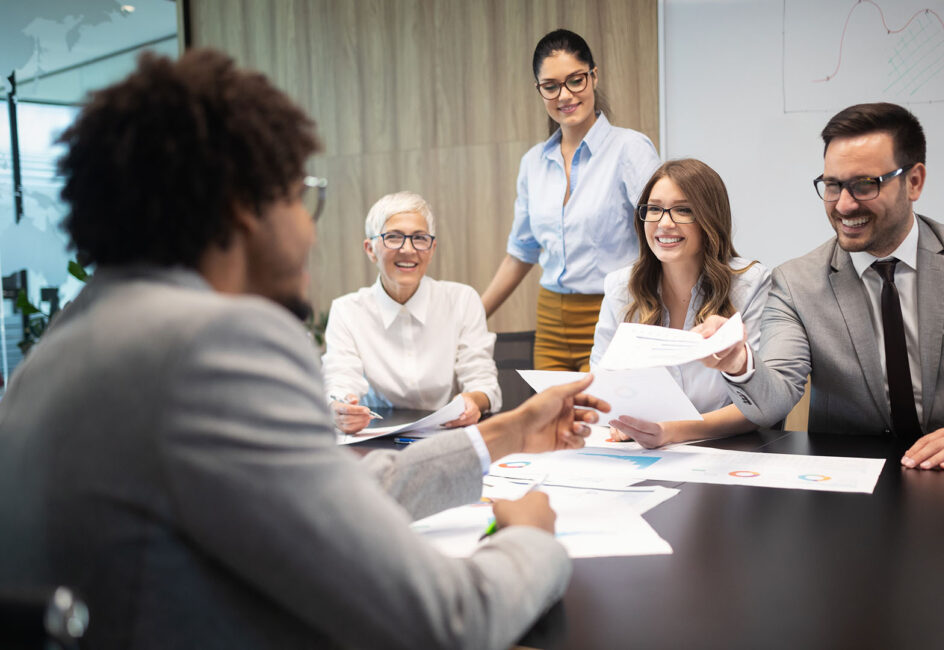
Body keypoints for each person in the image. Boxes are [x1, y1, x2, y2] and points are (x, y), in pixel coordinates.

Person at [0, 50, 611, 649]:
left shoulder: (62, 349)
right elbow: (449, 622)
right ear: (245, 207)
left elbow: (324, 509)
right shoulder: (215, 346)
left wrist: (504, 434)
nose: (310, 228)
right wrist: (532, 540)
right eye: (301, 195)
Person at [699, 102, 944, 470]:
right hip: (847, 486)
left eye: (864, 185)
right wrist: (739, 363)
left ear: (914, 182)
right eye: (832, 185)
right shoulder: (796, 283)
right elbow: (774, 401)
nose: (844, 205)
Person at [481, 28, 660, 371]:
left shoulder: (630, 149)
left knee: (605, 421)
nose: (565, 95)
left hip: (616, 311)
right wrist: (471, 319)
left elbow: (663, 237)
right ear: (540, 90)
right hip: (551, 321)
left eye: (575, 80)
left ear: (593, 77)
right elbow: (521, 253)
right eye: (551, 86)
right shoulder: (533, 162)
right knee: (554, 423)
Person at [590, 159, 770, 447]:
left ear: (710, 218)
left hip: (725, 452)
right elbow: (602, 388)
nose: (664, 223)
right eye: (654, 209)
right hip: (640, 454)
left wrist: (669, 431)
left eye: (683, 210)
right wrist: (622, 422)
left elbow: (761, 403)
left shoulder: (750, 283)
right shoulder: (620, 287)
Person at [322, 191, 501, 433]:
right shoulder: (347, 310)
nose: (408, 249)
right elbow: (340, 380)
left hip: (446, 435)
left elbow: (482, 380)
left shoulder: (462, 300)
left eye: (419, 238)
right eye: (393, 237)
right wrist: (341, 408)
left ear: (432, 247)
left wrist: (474, 401)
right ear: (370, 249)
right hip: (376, 438)